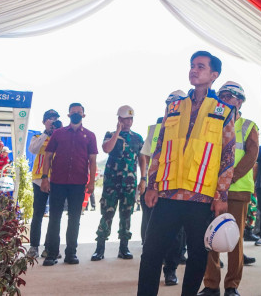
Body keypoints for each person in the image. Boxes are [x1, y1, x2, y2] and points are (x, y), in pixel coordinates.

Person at [137, 50, 235, 296]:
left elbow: (227, 156)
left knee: (197, 256)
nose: (194, 70)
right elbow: (160, 148)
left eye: (200, 66)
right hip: (168, 195)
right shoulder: (174, 106)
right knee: (150, 253)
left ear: (214, 75)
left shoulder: (223, 110)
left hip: (201, 199)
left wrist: (221, 195)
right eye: (192, 65)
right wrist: (152, 185)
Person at [200, 81, 259, 296]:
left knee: (235, 239)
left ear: (240, 101)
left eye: (230, 96)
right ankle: (211, 284)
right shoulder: (211, 123)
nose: (224, 99)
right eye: (222, 95)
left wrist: (227, 179)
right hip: (210, 190)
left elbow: (251, 156)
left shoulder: (248, 126)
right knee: (210, 237)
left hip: (237, 190)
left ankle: (232, 286)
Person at [139, 90, 187, 287]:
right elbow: (146, 156)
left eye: (177, 102)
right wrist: (145, 180)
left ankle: (171, 270)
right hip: (154, 188)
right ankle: (152, 269)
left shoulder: (190, 126)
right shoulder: (156, 127)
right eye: (170, 102)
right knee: (149, 232)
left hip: (177, 189)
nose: (173, 105)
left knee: (176, 235)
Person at [41, 102, 98, 266]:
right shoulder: (58, 134)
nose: (76, 115)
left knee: (74, 219)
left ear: (83, 115)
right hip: (57, 182)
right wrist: (45, 177)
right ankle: (52, 253)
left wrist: (91, 182)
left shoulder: (90, 135)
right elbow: (48, 156)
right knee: (54, 218)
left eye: (79, 112)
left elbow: (93, 160)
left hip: (78, 183)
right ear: (68, 115)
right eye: (73, 112)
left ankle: (71, 253)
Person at [91, 105, 145, 261]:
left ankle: (124, 247)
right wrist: (117, 132)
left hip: (129, 183)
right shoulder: (110, 134)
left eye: (130, 119)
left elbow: (142, 158)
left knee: (127, 214)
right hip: (111, 183)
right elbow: (106, 148)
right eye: (125, 119)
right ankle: (100, 248)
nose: (128, 122)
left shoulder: (138, 138)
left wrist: (143, 178)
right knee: (107, 214)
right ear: (119, 119)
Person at [27, 109, 60, 258]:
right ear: (44, 121)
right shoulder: (38, 136)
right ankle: (34, 247)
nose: (53, 121)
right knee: (38, 214)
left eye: (55, 119)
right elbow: (33, 150)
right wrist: (47, 132)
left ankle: (50, 247)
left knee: (55, 216)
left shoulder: (61, 137)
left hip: (57, 181)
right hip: (39, 180)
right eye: (50, 119)